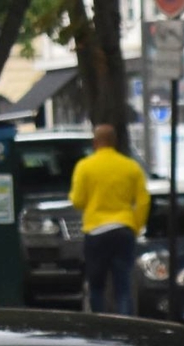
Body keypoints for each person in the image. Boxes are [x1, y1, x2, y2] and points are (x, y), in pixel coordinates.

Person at [69, 123, 150, 316]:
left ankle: (101, 325)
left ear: (95, 142)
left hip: (96, 230)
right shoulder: (130, 167)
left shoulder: (85, 166)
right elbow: (144, 200)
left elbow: (78, 200)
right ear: (115, 141)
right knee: (123, 285)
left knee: (96, 285)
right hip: (123, 228)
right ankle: (125, 326)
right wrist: (136, 226)